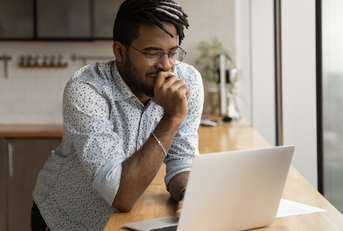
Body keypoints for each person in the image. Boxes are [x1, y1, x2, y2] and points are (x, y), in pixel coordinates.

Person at [31, 0, 204, 230]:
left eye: (172, 53)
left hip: (120, 223)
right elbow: (121, 195)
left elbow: (182, 159)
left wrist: (187, 194)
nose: (166, 66)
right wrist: (171, 118)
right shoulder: (87, 89)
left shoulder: (187, 81)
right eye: (152, 53)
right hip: (66, 220)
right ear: (119, 51)